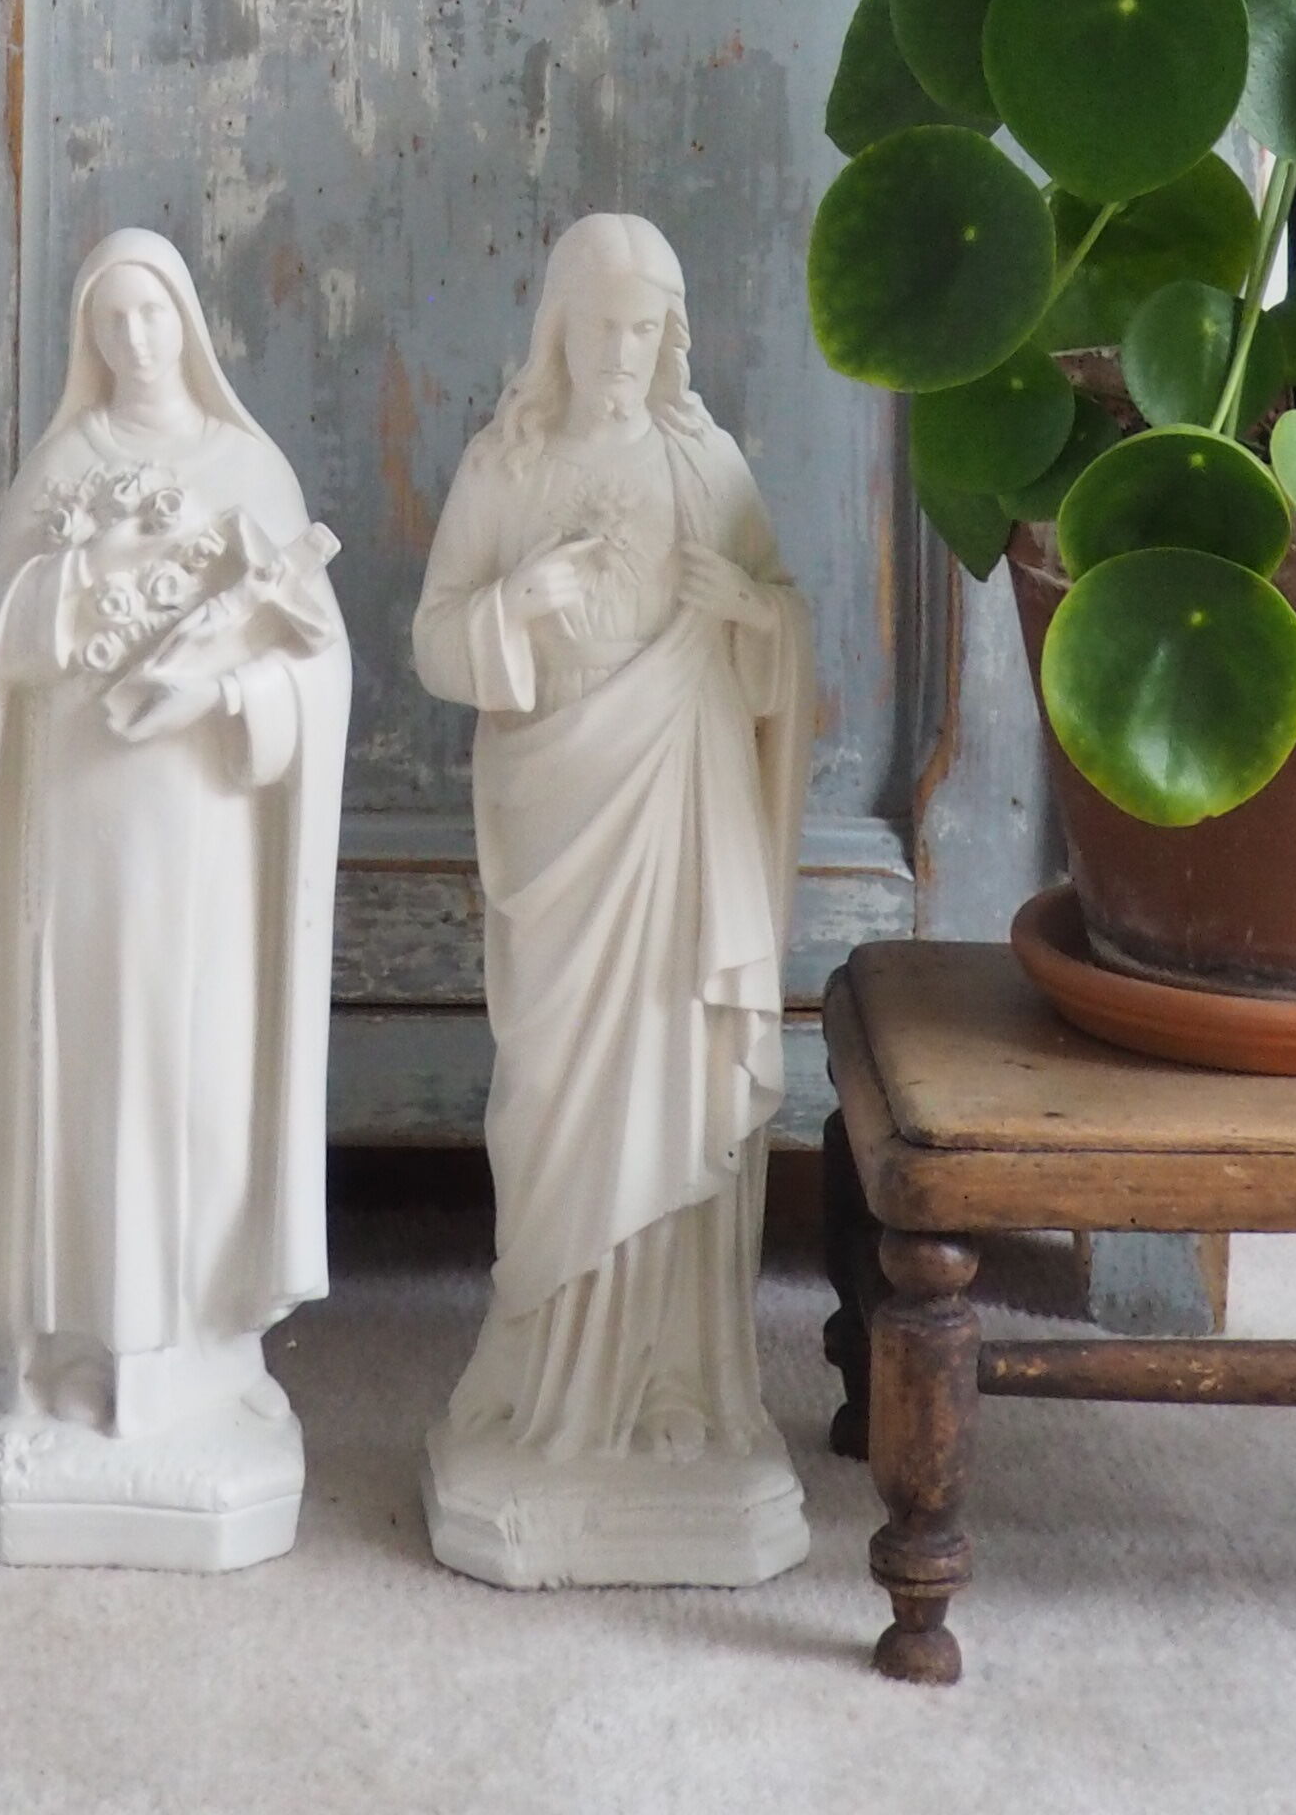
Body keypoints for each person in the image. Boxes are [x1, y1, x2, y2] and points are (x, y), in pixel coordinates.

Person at [0, 225, 351, 1563]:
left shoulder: (247, 469)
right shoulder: (63, 469)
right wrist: (70, 589)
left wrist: (221, 691)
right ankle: (70, 1353)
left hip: (203, 834)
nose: (135, 340)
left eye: (152, 315)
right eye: (110, 322)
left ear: (188, 324)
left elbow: (319, 663)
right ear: (88, 340)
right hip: (78, 828)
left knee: (190, 1069)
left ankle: (193, 1354)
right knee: (78, 1071)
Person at [411, 210, 814, 1582]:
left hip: (686, 817)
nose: (627, 354)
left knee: (677, 1082)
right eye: (604, 329)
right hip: (560, 819)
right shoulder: (508, 464)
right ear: (560, 334)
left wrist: (749, 614)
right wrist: (519, 603)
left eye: (649, 330)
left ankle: (675, 1391)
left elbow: (784, 632)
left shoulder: (708, 464)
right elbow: (436, 638)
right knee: (556, 1103)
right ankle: (551, 1392)